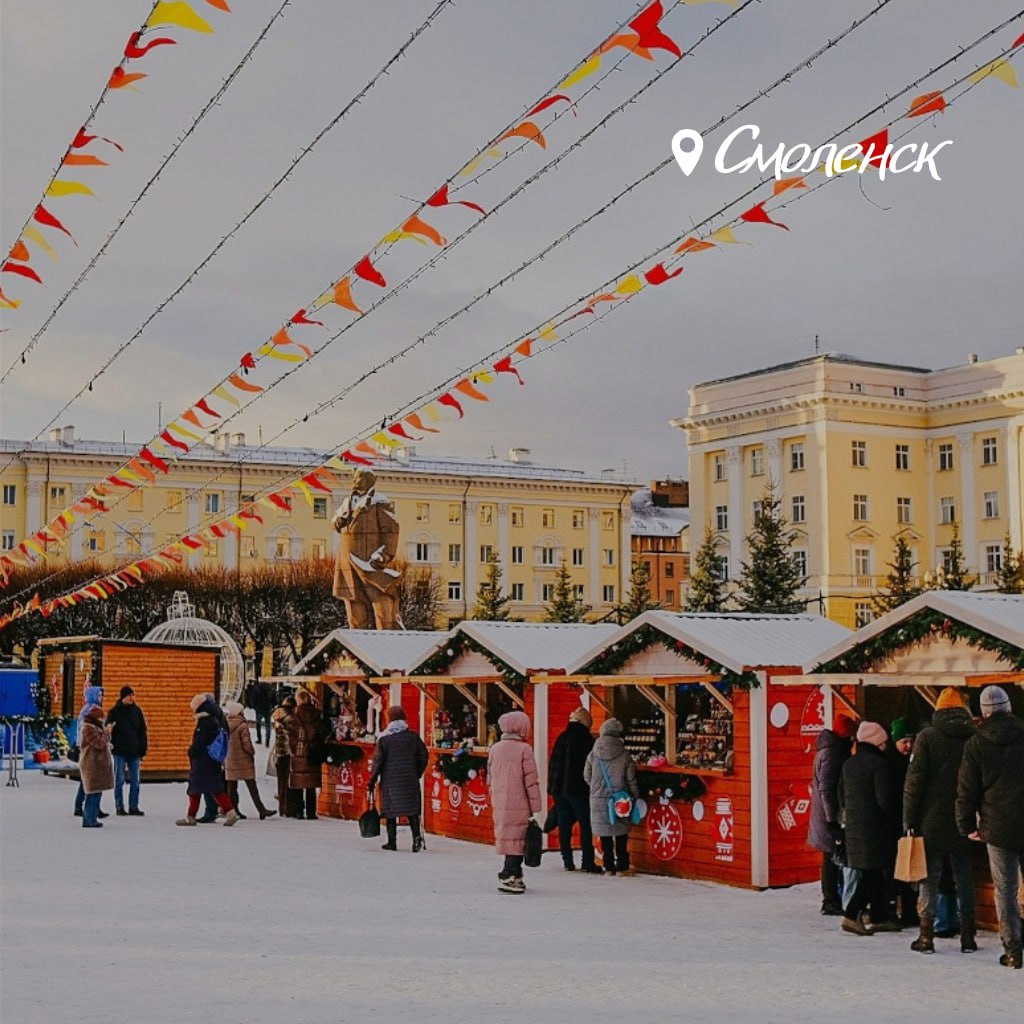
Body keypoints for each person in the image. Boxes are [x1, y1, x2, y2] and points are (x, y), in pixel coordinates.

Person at [903, 686, 977, 955]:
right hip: (964, 819)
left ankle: (926, 937)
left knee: (929, 878)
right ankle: (968, 936)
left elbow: (914, 783)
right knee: (964, 878)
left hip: (931, 820)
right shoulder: (974, 737)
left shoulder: (927, 738)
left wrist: (909, 820)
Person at [956, 685, 1024, 970]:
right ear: (1008, 707)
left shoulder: (976, 744)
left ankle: (1012, 951)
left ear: (983, 713)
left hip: (997, 826)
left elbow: (966, 789)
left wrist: (966, 825)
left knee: (1004, 889)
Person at [837, 721, 901, 936]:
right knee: (872, 875)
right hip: (876, 830)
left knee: (870, 873)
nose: (885, 747)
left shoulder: (849, 764)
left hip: (854, 829)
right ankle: (851, 914)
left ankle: (879, 917)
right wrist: (896, 820)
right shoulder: (879, 765)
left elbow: (840, 796)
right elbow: (885, 800)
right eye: (883, 743)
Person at [331, 468, 401, 629]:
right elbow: (335, 522)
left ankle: (388, 639)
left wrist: (384, 555)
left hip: (369, 561)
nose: (356, 481)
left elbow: (391, 530)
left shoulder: (380, 502)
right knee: (354, 603)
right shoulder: (347, 501)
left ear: (370, 481)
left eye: (360, 478)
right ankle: (357, 644)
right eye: (355, 478)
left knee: (381, 598)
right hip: (347, 561)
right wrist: (338, 520)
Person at [807, 710, 857, 915]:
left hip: (823, 813)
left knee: (830, 856)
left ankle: (831, 898)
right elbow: (827, 789)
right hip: (829, 815)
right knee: (831, 856)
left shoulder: (826, 750)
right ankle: (831, 900)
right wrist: (832, 821)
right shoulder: (833, 754)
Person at [488, 710, 542, 894]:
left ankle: (515, 873)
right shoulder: (524, 749)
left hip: (500, 799)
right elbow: (531, 780)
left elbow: (490, 777)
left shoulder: (495, 749)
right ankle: (508, 874)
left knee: (509, 836)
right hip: (519, 801)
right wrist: (536, 806)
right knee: (518, 838)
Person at [584, 718, 640, 877]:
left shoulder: (593, 752)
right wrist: (634, 795)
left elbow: (586, 774)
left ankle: (608, 866)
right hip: (620, 798)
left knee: (605, 832)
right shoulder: (624, 754)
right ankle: (623, 866)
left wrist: (595, 789)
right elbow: (631, 779)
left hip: (597, 797)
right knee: (621, 832)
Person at [368, 706, 429, 852]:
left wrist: (372, 779)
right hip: (410, 779)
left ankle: (392, 841)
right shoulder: (413, 737)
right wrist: (417, 772)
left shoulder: (384, 739)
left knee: (390, 810)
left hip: (390, 780)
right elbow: (424, 755)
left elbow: (378, 761)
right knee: (412, 810)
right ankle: (416, 840)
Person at [548, 705, 599, 873]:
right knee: (586, 824)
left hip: (559, 789)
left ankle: (567, 860)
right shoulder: (588, 741)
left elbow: (554, 764)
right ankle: (587, 861)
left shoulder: (562, 737)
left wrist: (553, 787)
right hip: (579, 789)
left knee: (564, 824)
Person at [176, 693, 239, 827]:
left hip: (202, 762)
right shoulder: (214, 719)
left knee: (194, 789)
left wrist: (191, 752)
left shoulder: (204, 722)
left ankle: (190, 816)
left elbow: (199, 743)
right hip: (212, 760)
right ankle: (230, 812)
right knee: (215, 789)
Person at [887, 716, 918, 927]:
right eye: (903, 741)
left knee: (909, 871)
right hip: (894, 824)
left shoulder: (914, 761)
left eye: (910, 741)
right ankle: (896, 911)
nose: (908, 746)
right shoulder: (889, 764)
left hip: (906, 824)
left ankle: (908, 912)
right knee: (896, 872)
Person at [224, 701, 276, 820]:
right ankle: (261, 809)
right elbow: (246, 744)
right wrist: (252, 753)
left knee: (232, 787)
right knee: (252, 786)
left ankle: (233, 810)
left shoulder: (226, 724)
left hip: (230, 759)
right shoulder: (242, 726)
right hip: (243, 760)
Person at [105, 685, 148, 817]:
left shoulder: (137, 711)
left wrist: (143, 748)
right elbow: (108, 729)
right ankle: (119, 806)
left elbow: (142, 731)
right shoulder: (114, 712)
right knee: (119, 779)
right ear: (123, 697)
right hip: (119, 751)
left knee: (135, 780)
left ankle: (133, 806)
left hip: (134, 750)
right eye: (129, 696)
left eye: (132, 695)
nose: (131, 698)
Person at [286, 689, 326, 820]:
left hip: (299, 753)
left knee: (298, 784)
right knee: (311, 785)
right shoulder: (316, 715)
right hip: (312, 753)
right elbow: (321, 733)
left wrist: (294, 750)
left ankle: (298, 811)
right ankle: (311, 811)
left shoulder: (294, 716)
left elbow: (291, 736)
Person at [73, 685, 109, 820]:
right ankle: (86, 808)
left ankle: (89, 807)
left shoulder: (89, 709)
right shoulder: (91, 711)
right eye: (100, 695)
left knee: (87, 780)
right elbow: (89, 732)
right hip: (90, 751)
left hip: (86, 749)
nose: (102, 698)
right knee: (89, 780)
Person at [78, 699, 114, 828]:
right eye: (101, 718)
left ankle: (92, 818)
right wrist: (107, 733)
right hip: (91, 764)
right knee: (92, 792)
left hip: (98, 765)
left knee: (97, 791)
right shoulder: (88, 729)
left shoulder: (95, 727)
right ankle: (88, 819)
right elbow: (98, 743)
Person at [272, 695, 300, 817]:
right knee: (289, 782)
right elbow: (292, 738)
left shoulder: (278, 718)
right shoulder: (290, 719)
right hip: (288, 754)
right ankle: (289, 808)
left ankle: (282, 807)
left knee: (281, 782)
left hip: (280, 753)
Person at [251, 681, 275, 746]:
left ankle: (259, 739)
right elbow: (275, 701)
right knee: (268, 725)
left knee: (258, 724)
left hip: (259, 709)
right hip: (268, 709)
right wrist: (272, 707)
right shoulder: (271, 690)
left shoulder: (256, 689)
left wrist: (254, 706)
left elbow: (253, 700)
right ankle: (267, 740)